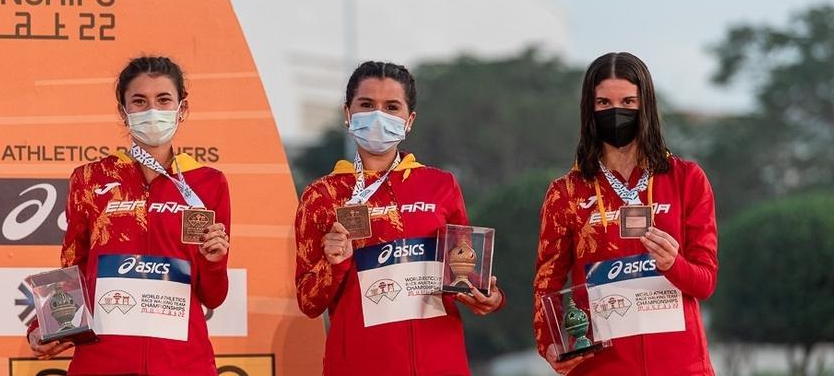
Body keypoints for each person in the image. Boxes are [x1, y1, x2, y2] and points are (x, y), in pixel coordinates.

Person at [295, 61, 504, 375]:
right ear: (348, 114)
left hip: (440, 363)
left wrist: (489, 298)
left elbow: (468, 275)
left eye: (392, 107)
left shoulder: (441, 186)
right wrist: (334, 263)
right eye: (367, 105)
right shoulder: (322, 195)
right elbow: (308, 303)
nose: (379, 115)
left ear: (409, 120)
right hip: (359, 365)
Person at [27, 56, 231, 375]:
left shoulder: (207, 182)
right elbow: (73, 267)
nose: (152, 110)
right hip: (102, 363)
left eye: (163, 100)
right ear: (124, 112)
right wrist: (42, 326)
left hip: (182, 364)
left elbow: (213, 296)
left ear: (182, 108)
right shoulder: (90, 179)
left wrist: (215, 262)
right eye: (139, 101)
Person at [533, 52, 717, 375]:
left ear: (645, 107)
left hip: (682, 367)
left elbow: (705, 282)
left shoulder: (687, 179)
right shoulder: (565, 193)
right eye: (604, 103)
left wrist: (674, 264)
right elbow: (547, 283)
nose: (616, 111)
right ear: (589, 110)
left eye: (628, 101)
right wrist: (549, 342)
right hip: (600, 368)